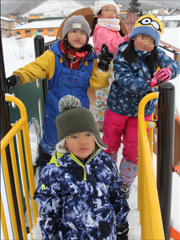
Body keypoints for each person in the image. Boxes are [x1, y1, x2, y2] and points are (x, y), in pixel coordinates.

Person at [6, 15, 112, 168]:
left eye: (83, 33)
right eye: (74, 31)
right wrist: (18, 77)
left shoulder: (91, 60)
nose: (78, 36)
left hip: (80, 110)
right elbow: (36, 68)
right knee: (51, 140)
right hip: (55, 108)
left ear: (87, 37)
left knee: (77, 141)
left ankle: (73, 170)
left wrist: (102, 68)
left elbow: (97, 84)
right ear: (66, 35)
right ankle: (45, 166)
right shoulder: (53, 56)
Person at [102, 14, 180, 198]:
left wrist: (168, 71)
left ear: (155, 43)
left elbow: (175, 65)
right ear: (134, 37)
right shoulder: (122, 53)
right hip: (117, 109)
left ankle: (124, 183)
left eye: (151, 40)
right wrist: (152, 81)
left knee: (133, 149)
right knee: (109, 144)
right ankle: (107, 177)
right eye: (142, 37)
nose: (145, 43)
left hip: (141, 112)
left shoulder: (157, 54)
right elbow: (127, 82)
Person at [33, 95, 130, 240]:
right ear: (64, 143)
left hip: (106, 235)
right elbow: (49, 210)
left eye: (88, 134)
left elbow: (116, 196)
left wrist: (121, 227)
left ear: (96, 138)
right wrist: (51, 235)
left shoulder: (106, 163)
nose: (83, 141)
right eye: (74, 137)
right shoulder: (54, 172)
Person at [90, 0, 130, 130]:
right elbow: (112, 46)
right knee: (104, 95)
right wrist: (127, 39)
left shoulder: (113, 28)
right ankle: (101, 124)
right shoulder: (101, 29)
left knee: (114, 94)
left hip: (113, 65)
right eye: (107, 10)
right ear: (99, 14)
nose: (110, 13)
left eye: (113, 11)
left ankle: (113, 121)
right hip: (105, 66)